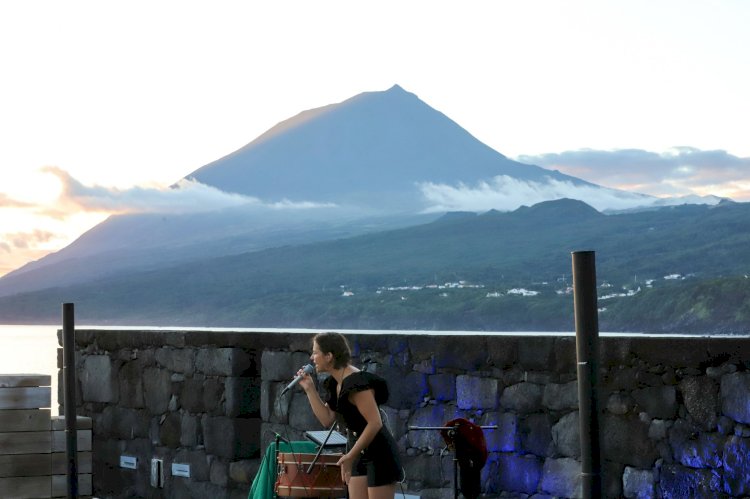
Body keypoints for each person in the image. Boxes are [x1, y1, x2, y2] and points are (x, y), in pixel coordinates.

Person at [296, 332, 403, 499]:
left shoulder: (356, 383)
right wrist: (310, 389)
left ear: (329, 356)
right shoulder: (334, 383)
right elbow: (327, 419)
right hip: (355, 449)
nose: (311, 357)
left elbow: (375, 423)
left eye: (315, 352)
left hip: (378, 452)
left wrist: (349, 456)